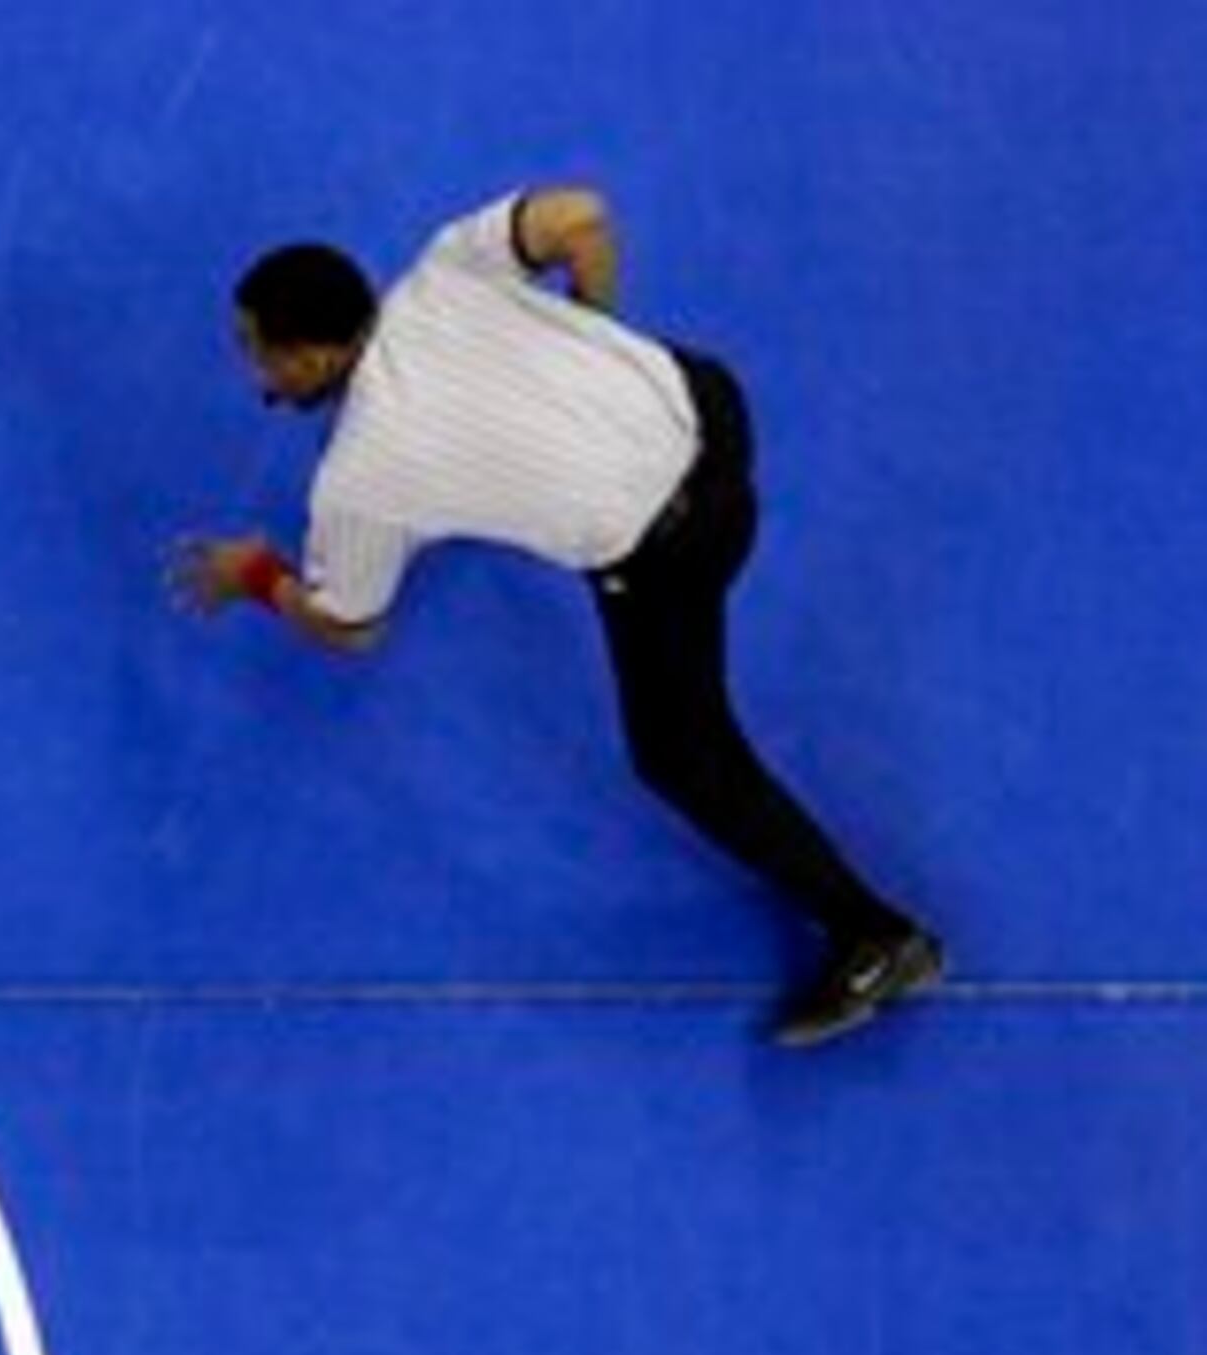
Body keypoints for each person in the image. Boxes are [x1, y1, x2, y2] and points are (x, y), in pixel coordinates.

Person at [171, 183, 946, 1048]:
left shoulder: (359, 481)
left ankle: (877, 937)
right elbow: (578, 214)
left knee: (680, 758)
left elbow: (352, 626)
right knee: (582, 437)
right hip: (712, 410)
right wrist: (593, 332)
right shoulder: (442, 272)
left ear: (313, 360)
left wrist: (259, 573)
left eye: (259, 354)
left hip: (673, 554)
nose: (255, 374)